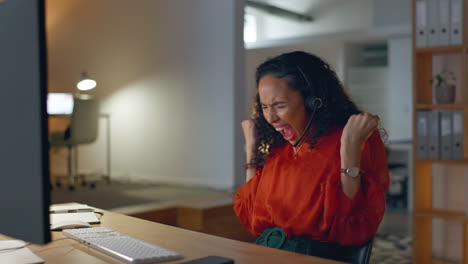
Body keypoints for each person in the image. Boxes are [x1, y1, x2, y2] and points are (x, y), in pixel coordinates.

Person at [233, 51, 389, 262]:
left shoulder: (352, 139)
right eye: (264, 107)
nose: (270, 117)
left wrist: (349, 151)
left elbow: (350, 228)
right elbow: (250, 218)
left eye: (279, 105)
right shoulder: (280, 148)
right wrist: (251, 148)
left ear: (311, 101)